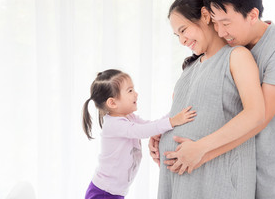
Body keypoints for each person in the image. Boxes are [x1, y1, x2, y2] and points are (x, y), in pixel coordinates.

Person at [152, 0, 275, 199]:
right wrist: (166, 128)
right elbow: (213, 104)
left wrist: (200, 153)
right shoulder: (229, 51)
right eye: (215, 23)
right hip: (246, 178)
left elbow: (257, 119)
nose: (220, 31)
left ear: (252, 15)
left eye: (225, 23)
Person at [157, 0, 265, 199]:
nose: (182, 40)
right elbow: (188, 113)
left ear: (205, 16)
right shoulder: (190, 68)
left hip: (219, 181)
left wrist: (199, 148)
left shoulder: (237, 57)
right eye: (177, 35)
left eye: (183, 30)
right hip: (181, 182)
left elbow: (255, 113)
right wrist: (160, 132)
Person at [82, 69, 196, 199]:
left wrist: (174, 111)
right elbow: (143, 131)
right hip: (102, 193)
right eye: (130, 91)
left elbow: (151, 125)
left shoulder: (129, 118)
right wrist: (173, 121)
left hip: (116, 193)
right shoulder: (113, 125)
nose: (136, 94)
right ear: (112, 103)